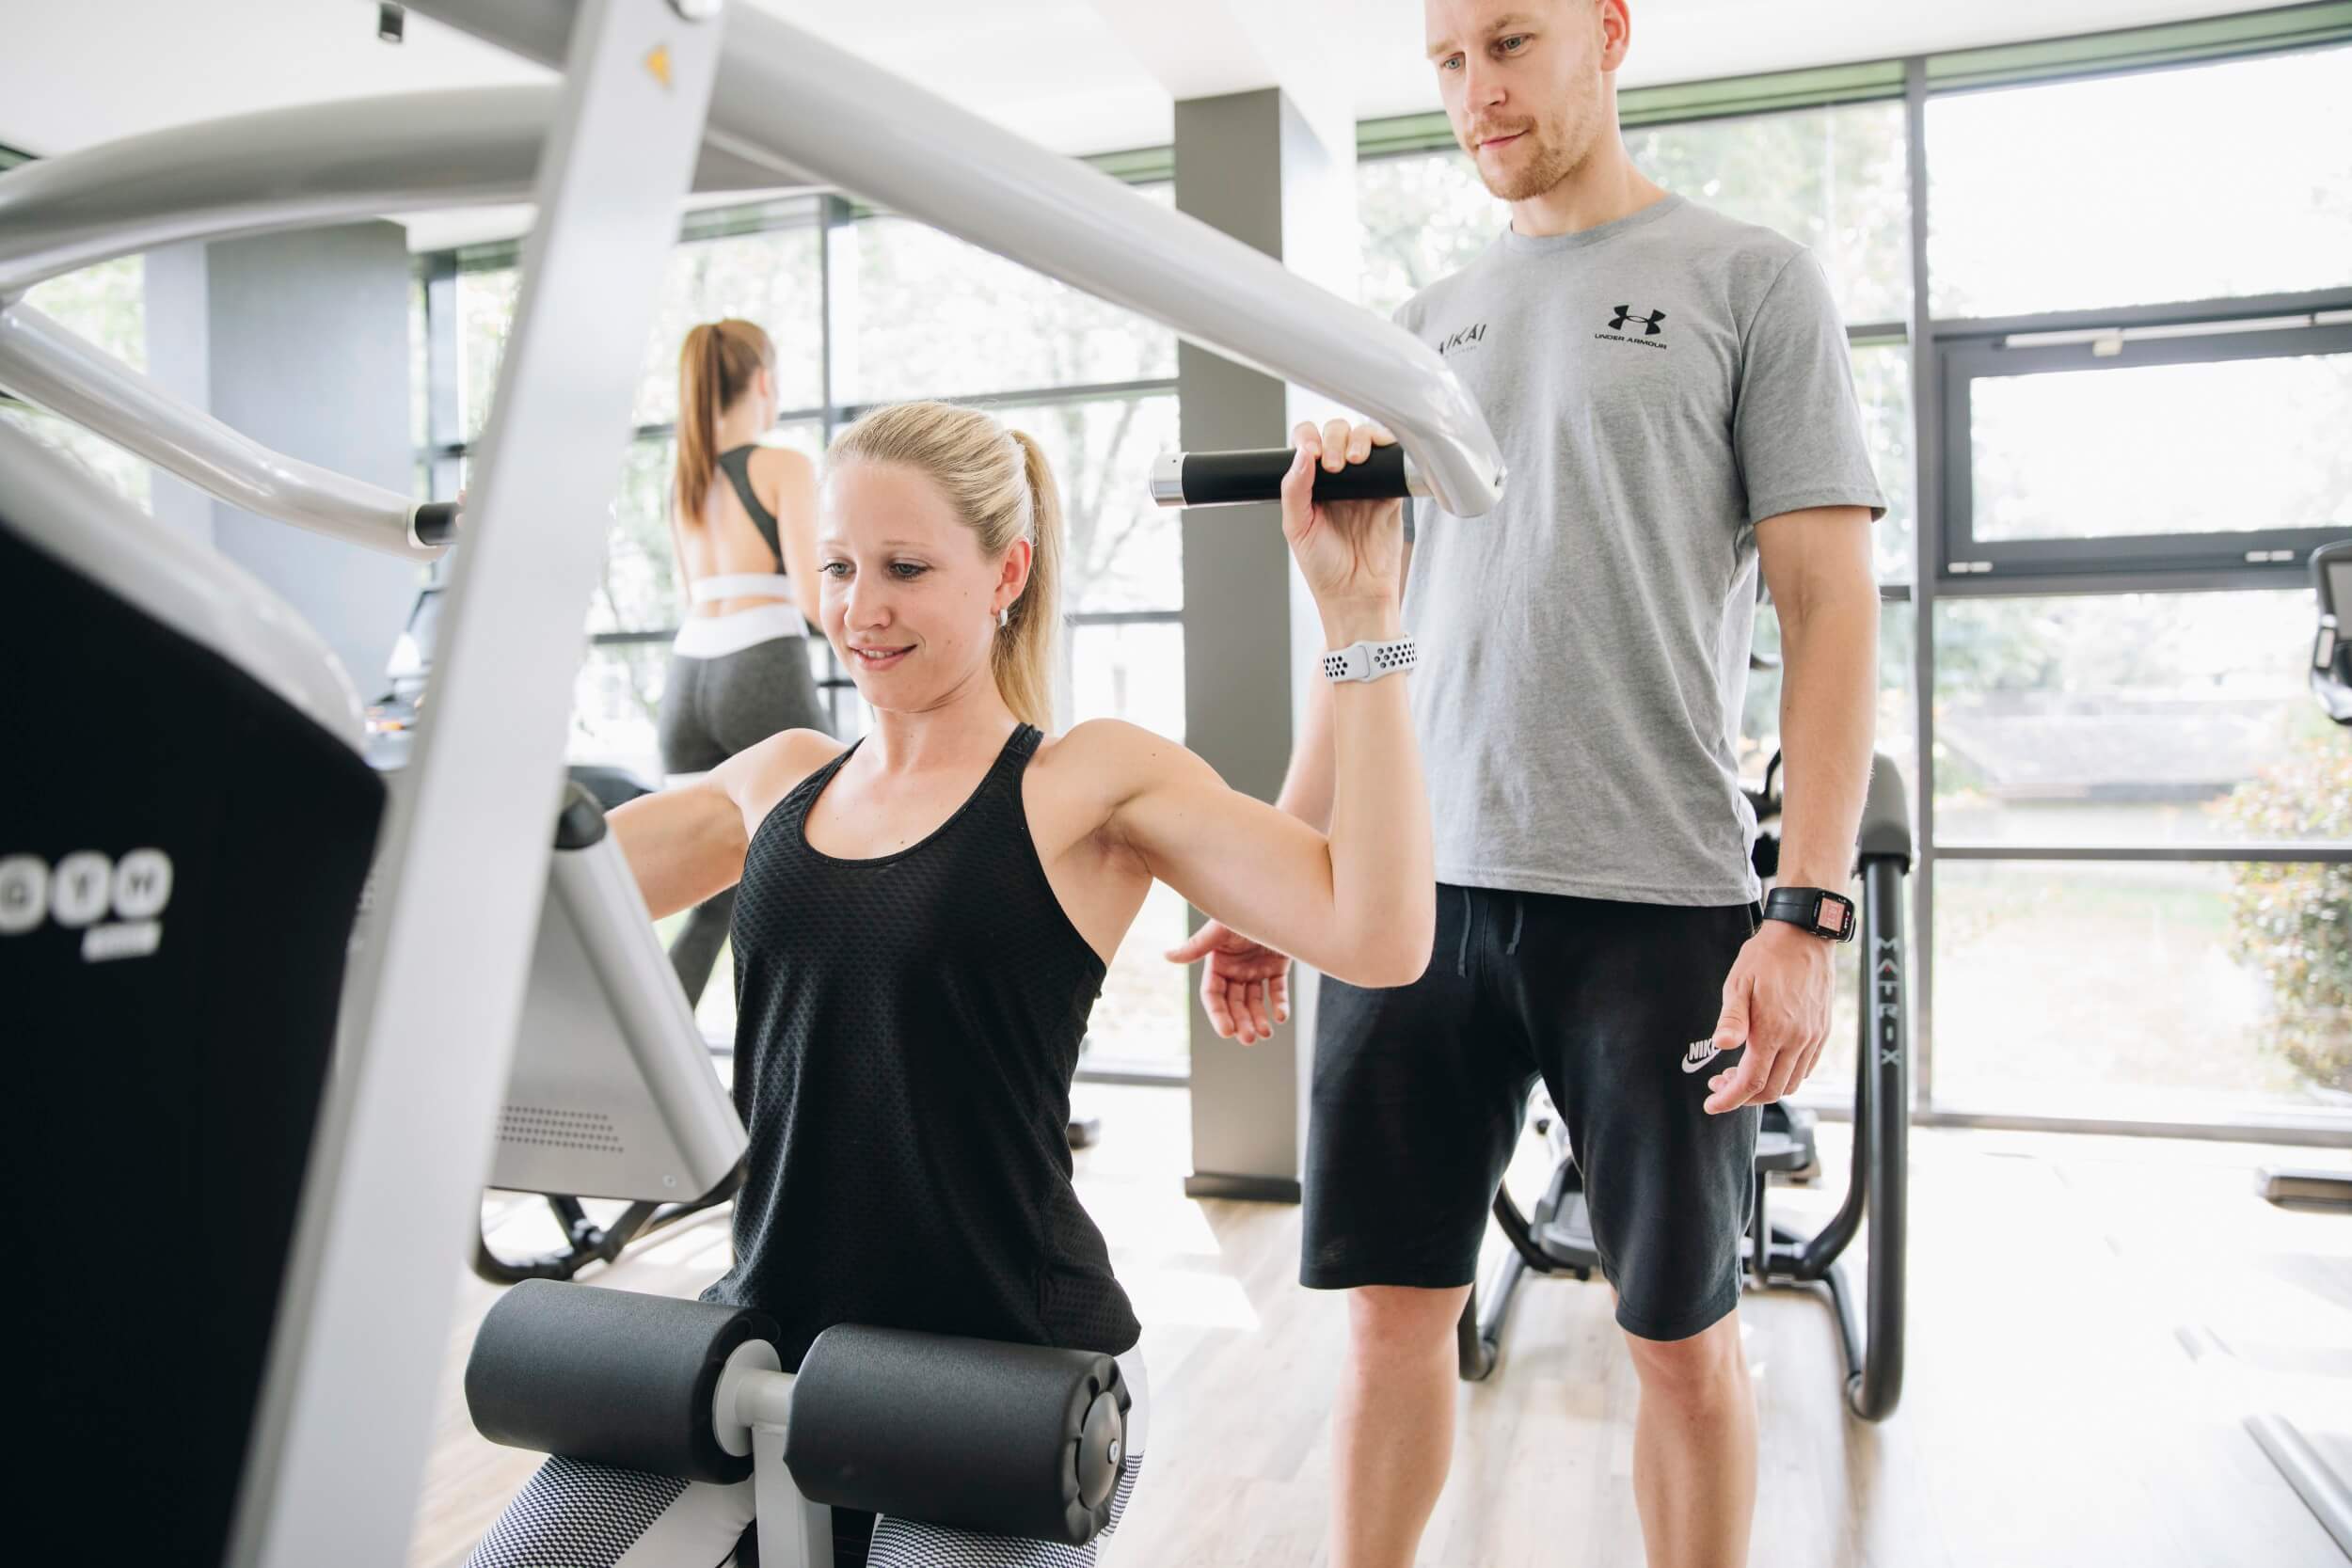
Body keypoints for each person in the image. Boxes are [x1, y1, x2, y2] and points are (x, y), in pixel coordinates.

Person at [1166, 4, 1886, 1564]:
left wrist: (1805, 913)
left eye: (1509, 42)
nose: (1474, 92)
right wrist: (1285, 862)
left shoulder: (1747, 281)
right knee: (1385, 1327)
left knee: (1680, 1337)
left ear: (1608, 32)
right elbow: (1379, 621)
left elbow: (1831, 608)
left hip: (1655, 901)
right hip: (1412, 900)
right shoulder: (1418, 324)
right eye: (1445, 61)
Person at [469, 402, 1431, 1567]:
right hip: (764, 1339)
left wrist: (1360, 612)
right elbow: (513, 899)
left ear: (1005, 572)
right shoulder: (774, 780)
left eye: (905, 568)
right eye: (836, 566)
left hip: (1002, 1369)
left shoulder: (1088, 784)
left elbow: (1377, 933)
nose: (860, 608)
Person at [659, 317, 827, 1009]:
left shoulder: (683, 481)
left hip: (688, 678)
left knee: (712, 894)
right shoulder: (782, 465)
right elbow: (818, 599)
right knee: (831, 859)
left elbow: (690, 589)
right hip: (760, 665)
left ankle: (645, 1044)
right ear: (764, 379)